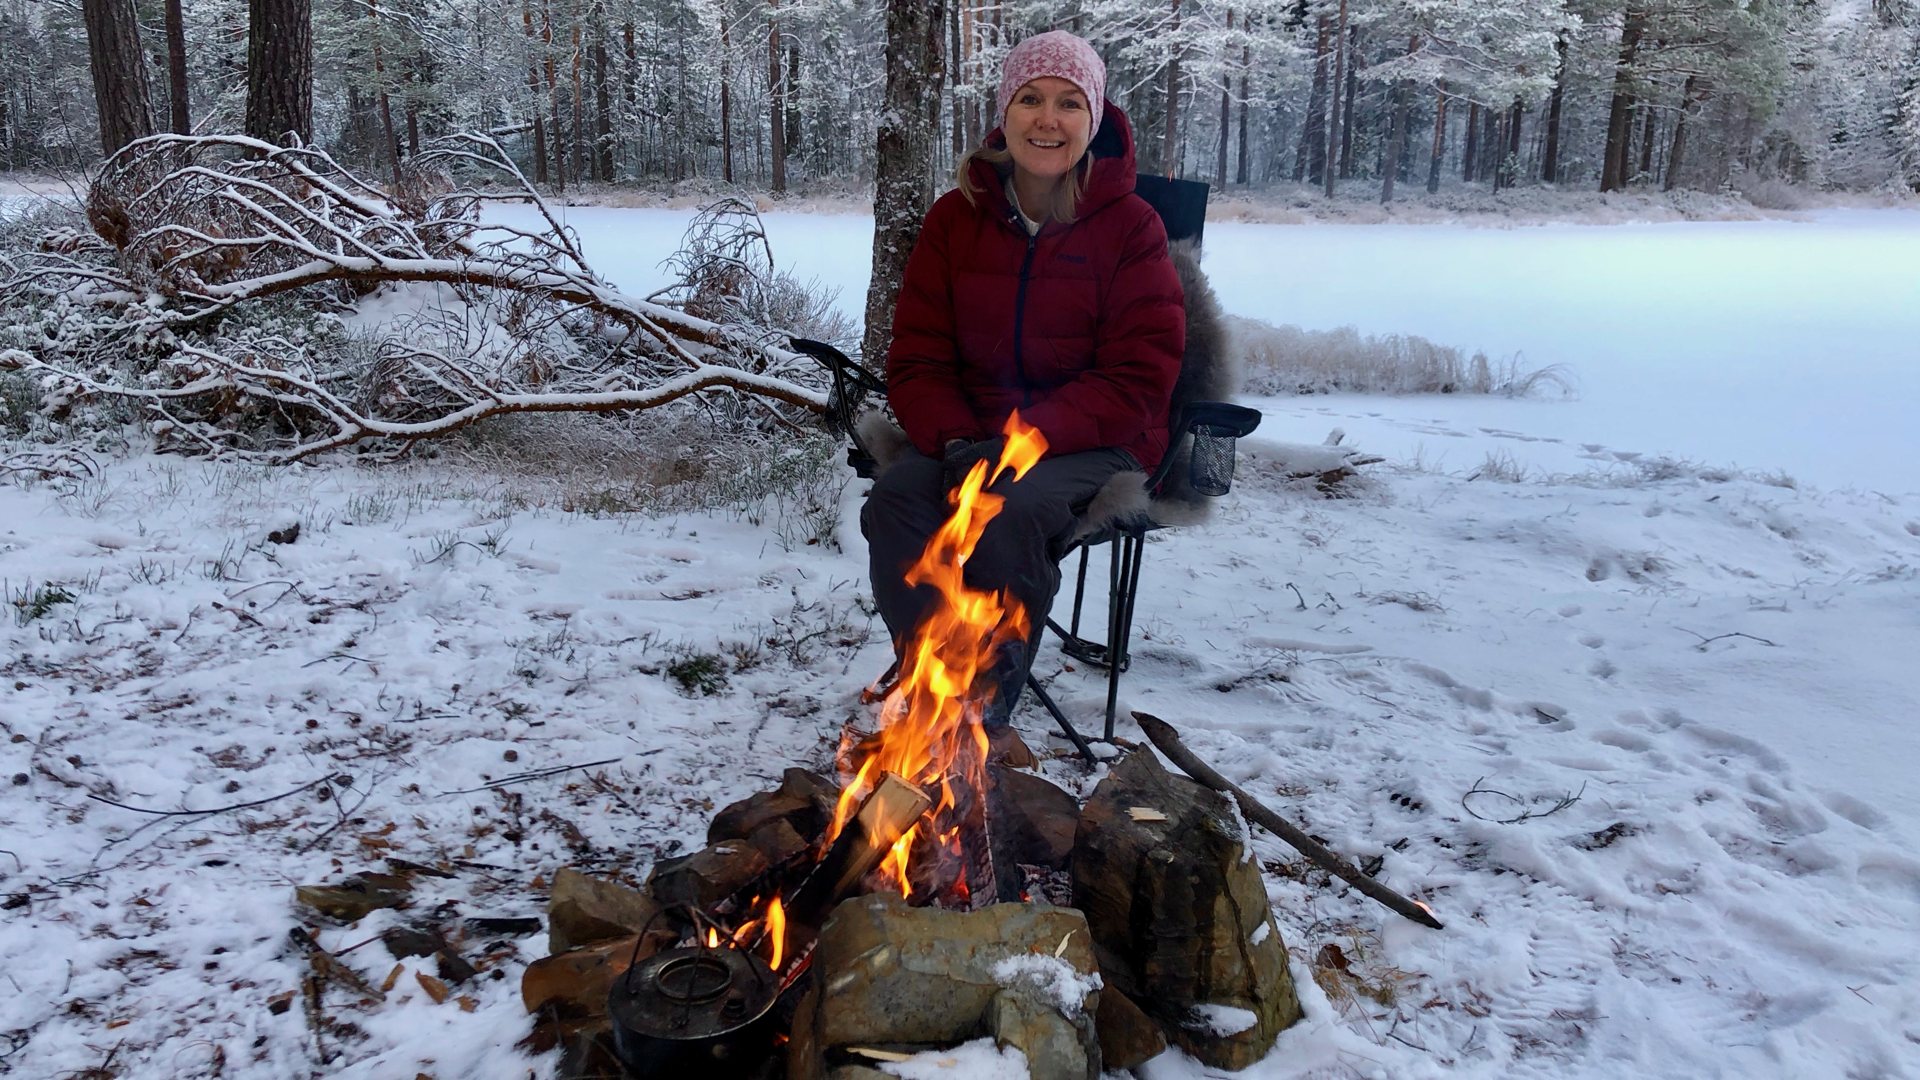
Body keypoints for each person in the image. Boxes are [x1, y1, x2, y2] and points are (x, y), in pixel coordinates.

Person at [860, 29, 1186, 760]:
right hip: (966, 433)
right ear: (1004, 115)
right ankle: (933, 684)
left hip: (1095, 438)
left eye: (1069, 103)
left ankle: (982, 717)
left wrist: (1021, 441)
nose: (1048, 119)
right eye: (1030, 99)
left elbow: (1138, 377)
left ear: (1093, 119)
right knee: (900, 500)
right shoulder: (955, 219)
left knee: (1008, 511)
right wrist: (949, 442)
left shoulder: (1132, 228)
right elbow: (917, 356)